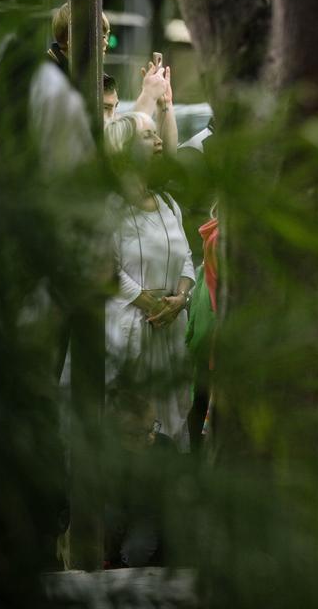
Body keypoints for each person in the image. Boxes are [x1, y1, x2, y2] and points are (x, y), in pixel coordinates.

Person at [104, 112, 195, 451]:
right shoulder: (110, 205)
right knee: (131, 419)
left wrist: (181, 299)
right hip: (130, 329)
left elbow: (187, 257)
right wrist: (152, 304)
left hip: (169, 327)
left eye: (158, 135)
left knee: (171, 419)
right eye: (148, 136)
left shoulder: (168, 203)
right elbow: (106, 269)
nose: (159, 142)